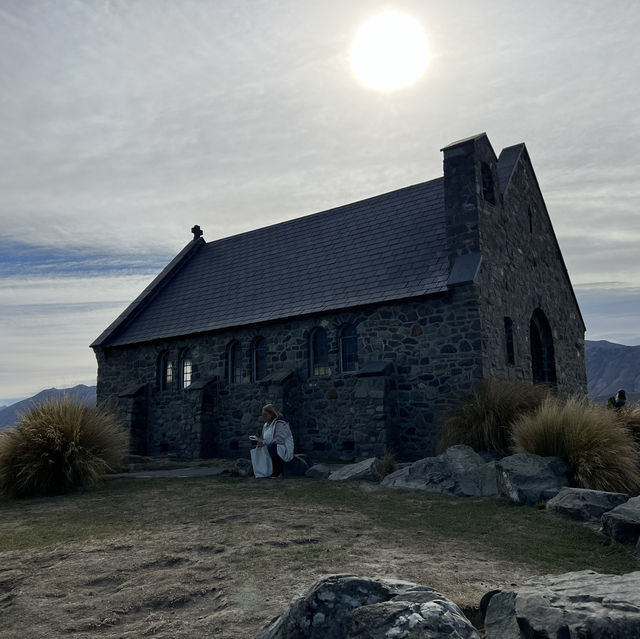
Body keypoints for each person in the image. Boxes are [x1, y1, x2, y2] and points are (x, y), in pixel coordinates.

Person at [255, 404, 294, 477]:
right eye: (263, 415)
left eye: (265, 414)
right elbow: (264, 438)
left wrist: (264, 442)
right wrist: (259, 442)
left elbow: (280, 440)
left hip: (283, 448)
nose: (263, 416)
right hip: (273, 446)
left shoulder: (281, 423)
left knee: (271, 447)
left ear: (271, 414)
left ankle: (278, 470)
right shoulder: (266, 425)